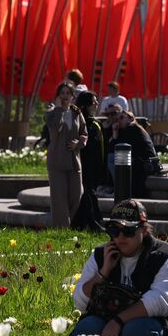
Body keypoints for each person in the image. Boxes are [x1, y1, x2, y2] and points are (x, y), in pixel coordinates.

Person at [66, 200, 168, 336]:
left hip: (159, 325)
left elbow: (162, 301)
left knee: (135, 331)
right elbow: (80, 301)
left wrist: (119, 320)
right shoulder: (102, 255)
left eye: (128, 231)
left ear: (144, 229)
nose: (120, 238)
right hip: (109, 321)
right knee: (87, 328)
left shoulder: (164, 256)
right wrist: (103, 273)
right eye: (114, 231)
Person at [45, 82, 87, 229]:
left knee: (77, 194)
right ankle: (61, 228)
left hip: (74, 161)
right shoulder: (51, 112)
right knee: (59, 198)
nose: (64, 96)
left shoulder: (77, 113)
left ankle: (73, 224)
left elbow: (84, 134)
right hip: (57, 161)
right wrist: (58, 109)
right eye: (62, 93)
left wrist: (78, 143)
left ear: (72, 96)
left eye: (67, 93)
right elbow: (55, 129)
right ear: (58, 95)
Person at [71, 90, 107, 232]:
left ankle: (87, 222)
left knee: (89, 193)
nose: (97, 103)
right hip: (85, 165)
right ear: (86, 105)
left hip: (95, 166)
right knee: (88, 194)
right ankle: (94, 222)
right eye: (94, 101)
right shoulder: (82, 122)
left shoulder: (95, 123)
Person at [110, 109, 159, 199]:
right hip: (146, 163)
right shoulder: (128, 129)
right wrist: (115, 132)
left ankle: (119, 188)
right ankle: (117, 187)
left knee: (112, 158)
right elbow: (114, 148)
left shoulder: (132, 128)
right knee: (112, 157)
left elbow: (117, 148)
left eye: (121, 118)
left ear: (130, 119)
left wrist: (115, 134)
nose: (119, 121)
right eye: (117, 119)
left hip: (145, 164)